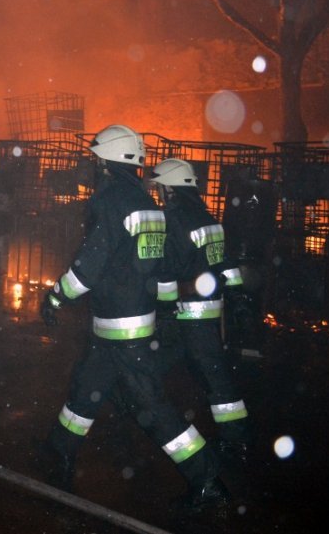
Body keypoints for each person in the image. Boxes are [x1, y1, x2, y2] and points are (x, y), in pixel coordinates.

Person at [38, 125, 229, 514]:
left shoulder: (111, 201)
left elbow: (89, 265)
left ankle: (207, 480)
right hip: (122, 328)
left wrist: (57, 296)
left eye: (96, 161)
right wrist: (164, 309)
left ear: (108, 163)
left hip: (121, 332)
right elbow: (158, 270)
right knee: (85, 389)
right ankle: (58, 451)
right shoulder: (148, 205)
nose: (93, 168)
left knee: (154, 409)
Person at [149, 158, 252, 462]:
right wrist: (238, 299)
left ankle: (238, 439)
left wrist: (165, 311)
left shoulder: (173, 220)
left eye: (161, 188)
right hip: (207, 313)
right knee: (205, 376)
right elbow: (227, 266)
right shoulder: (210, 219)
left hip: (186, 314)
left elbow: (167, 272)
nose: (159, 193)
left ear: (169, 189)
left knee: (215, 380)